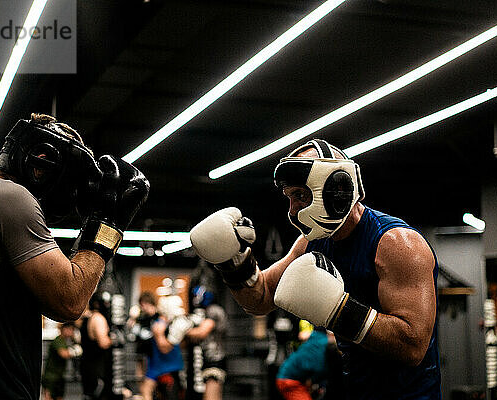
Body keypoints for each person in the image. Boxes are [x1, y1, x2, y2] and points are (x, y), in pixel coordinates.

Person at [189, 139, 441, 399]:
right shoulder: (312, 242)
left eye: (300, 195)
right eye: (289, 198)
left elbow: (413, 347)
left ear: (337, 189)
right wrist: (235, 263)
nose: (292, 210)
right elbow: (261, 298)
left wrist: (339, 311)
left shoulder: (397, 244)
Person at [0, 113, 149, 400]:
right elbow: (69, 301)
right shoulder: (9, 197)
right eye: (73, 177)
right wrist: (107, 225)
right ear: (42, 163)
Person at [139, 292, 191, 400]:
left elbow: (177, 345)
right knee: (146, 391)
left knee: (149, 391)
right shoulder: (160, 324)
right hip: (160, 367)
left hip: (169, 368)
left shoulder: (173, 324)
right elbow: (163, 347)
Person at [275, 321, 339, 400]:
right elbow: (317, 371)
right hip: (289, 380)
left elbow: (305, 335)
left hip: (288, 375)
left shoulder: (319, 336)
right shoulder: (322, 364)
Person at [186, 284, 228, 400]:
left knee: (211, 397)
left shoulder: (214, 310)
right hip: (206, 359)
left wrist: (182, 330)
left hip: (214, 359)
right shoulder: (206, 311)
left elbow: (202, 332)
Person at [80, 293, 114, 400]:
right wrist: (114, 340)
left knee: (89, 394)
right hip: (97, 367)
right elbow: (103, 343)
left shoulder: (87, 318)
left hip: (88, 364)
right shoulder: (98, 318)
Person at [42, 322, 82, 400]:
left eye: (72, 329)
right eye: (69, 329)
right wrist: (75, 351)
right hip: (51, 377)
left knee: (60, 397)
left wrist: (77, 340)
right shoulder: (58, 340)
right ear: (63, 329)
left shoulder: (67, 341)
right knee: (49, 398)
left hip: (60, 376)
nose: (71, 332)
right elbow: (63, 354)